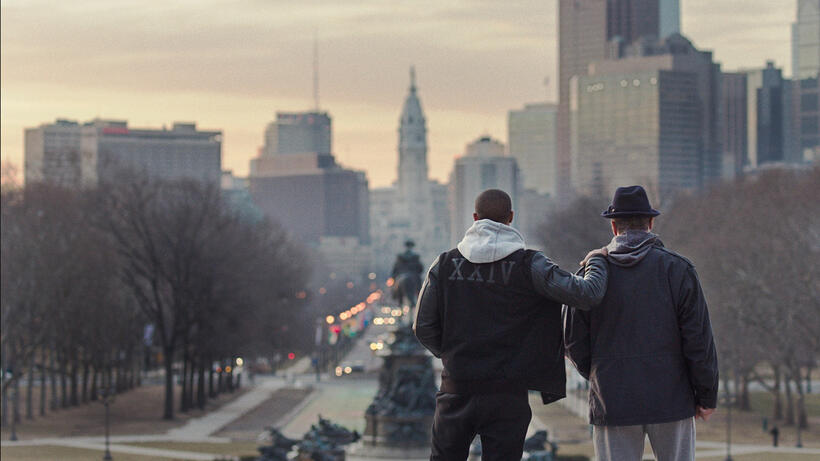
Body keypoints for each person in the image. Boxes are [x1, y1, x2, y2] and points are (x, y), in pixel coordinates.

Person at [413, 189, 609, 461]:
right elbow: (587, 294)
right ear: (511, 218)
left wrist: (452, 355)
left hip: (457, 386)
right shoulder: (530, 264)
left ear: (474, 217)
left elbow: (422, 326)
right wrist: (597, 259)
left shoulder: (444, 264)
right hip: (507, 391)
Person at [564, 185, 719, 461]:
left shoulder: (589, 275)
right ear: (650, 223)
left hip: (613, 401)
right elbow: (699, 341)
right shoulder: (678, 270)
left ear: (614, 227)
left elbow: (573, 340)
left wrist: (602, 373)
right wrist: (706, 396)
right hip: (672, 398)